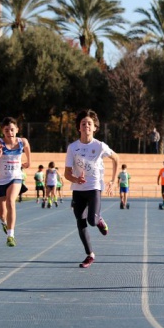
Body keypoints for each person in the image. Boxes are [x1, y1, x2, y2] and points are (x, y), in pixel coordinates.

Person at [64, 109, 119, 268]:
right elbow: (67, 173)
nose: (86, 126)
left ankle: (99, 219)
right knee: (80, 222)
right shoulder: (72, 148)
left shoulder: (100, 146)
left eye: (89, 123)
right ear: (78, 127)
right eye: (83, 123)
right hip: (78, 190)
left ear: (95, 127)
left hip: (94, 187)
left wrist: (113, 181)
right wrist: (76, 179)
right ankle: (90, 255)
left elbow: (116, 158)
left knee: (92, 221)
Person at [0, 116, 31, 247]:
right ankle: (4, 223)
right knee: (1, 214)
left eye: (12, 130)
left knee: (11, 201)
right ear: (2, 131)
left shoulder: (23, 142)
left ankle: (11, 235)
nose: (10, 133)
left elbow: (28, 152)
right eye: (6, 130)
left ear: (17, 129)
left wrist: (29, 162)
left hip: (15, 177)